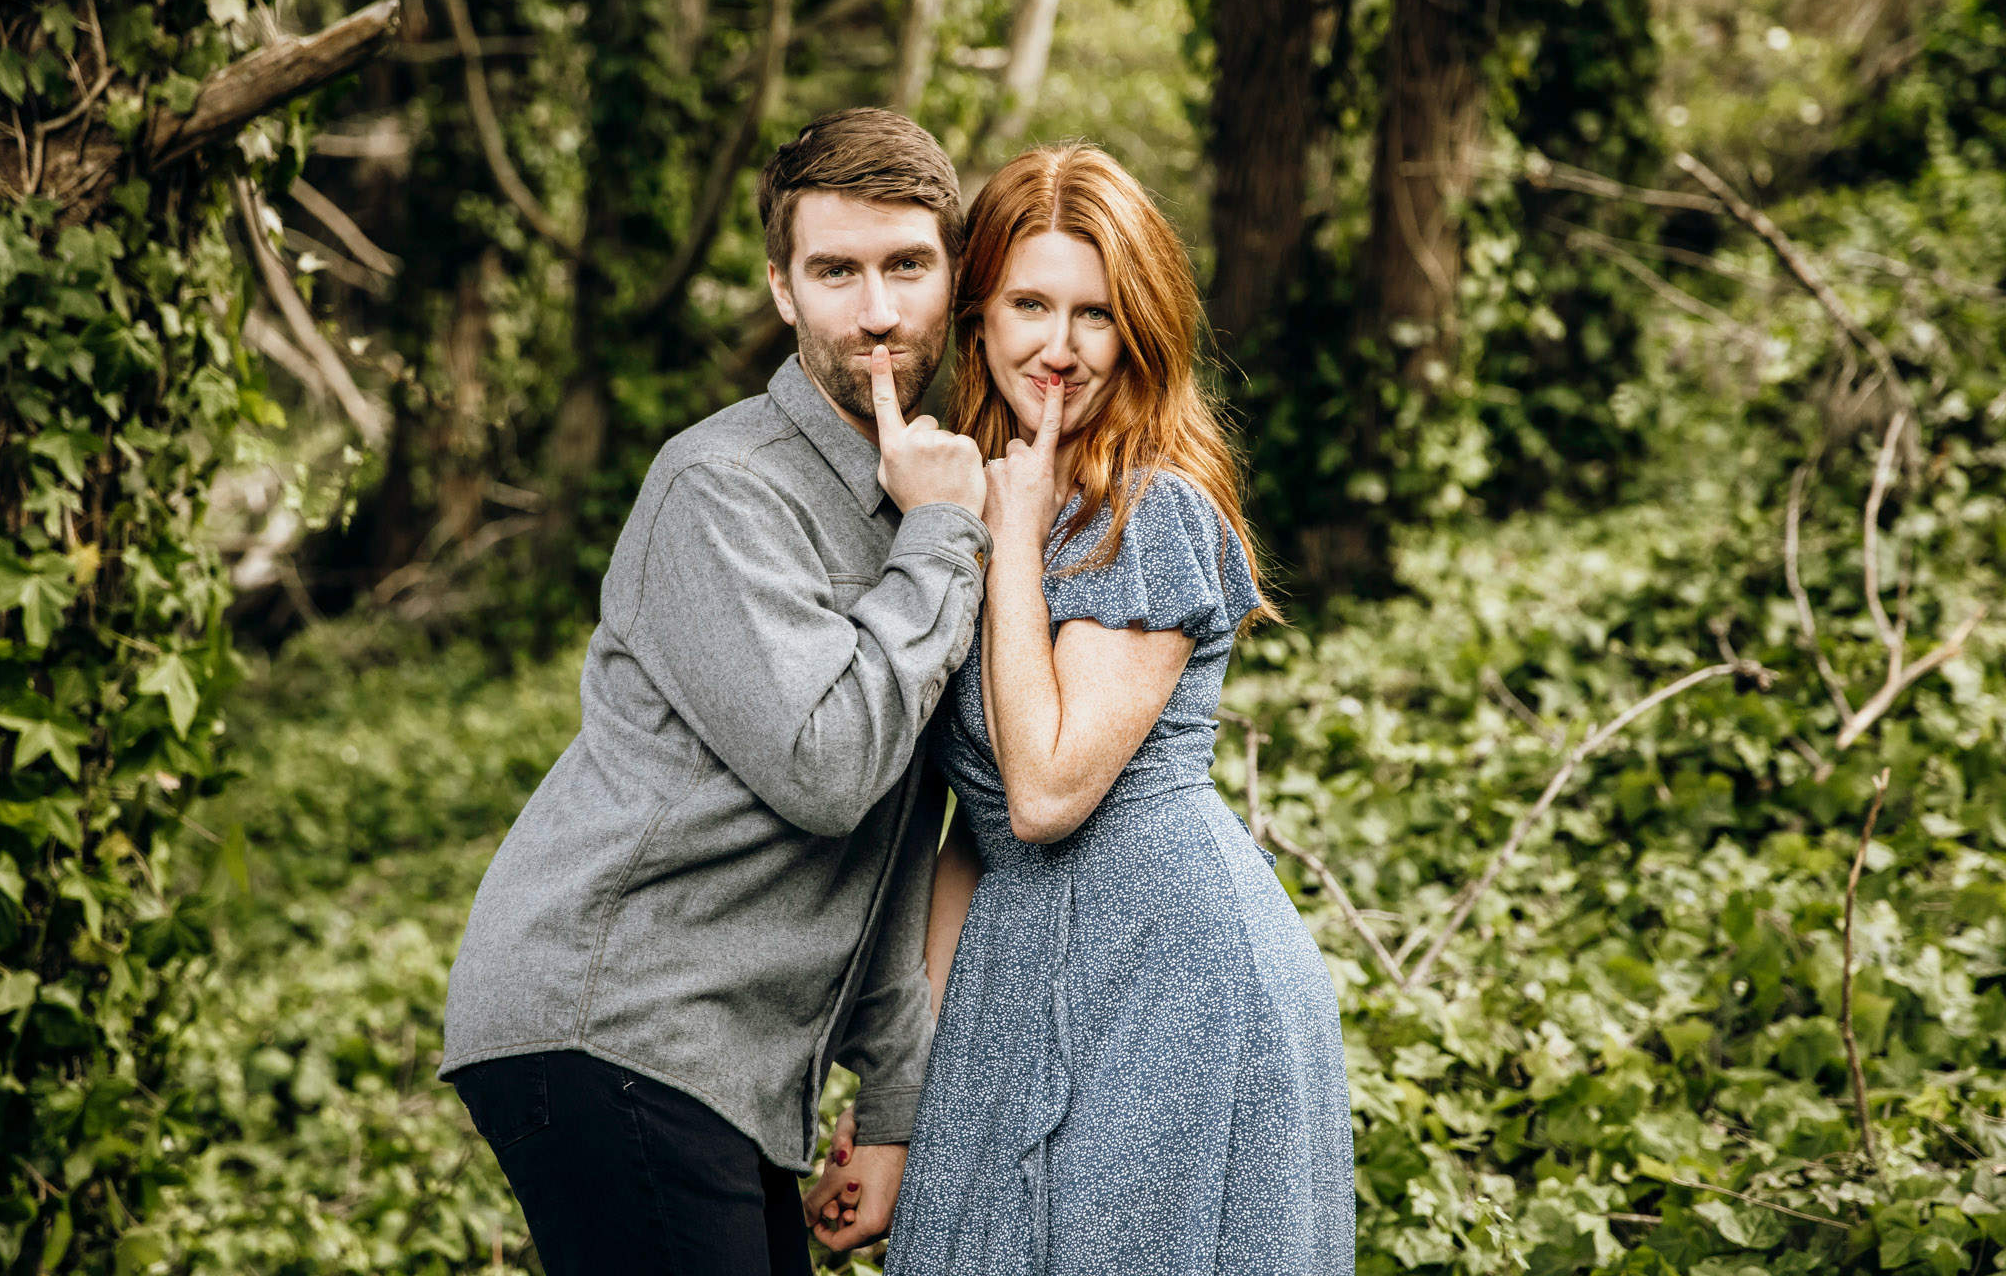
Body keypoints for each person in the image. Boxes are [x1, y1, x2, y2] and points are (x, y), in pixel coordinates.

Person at [437, 108, 992, 1275]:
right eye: (836, 271)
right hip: (614, 1020)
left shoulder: (921, 505)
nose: (878, 311)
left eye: (907, 266)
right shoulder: (725, 488)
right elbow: (832, 770)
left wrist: (896, 1107)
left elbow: (892, 842)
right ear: (784, 293)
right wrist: (944, 532)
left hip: (717, 1064)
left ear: (956, 280)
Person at [881, 144, 1357, 1274]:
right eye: (1029, 304)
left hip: (1175, 975)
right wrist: (908, 1098)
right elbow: (977, 832)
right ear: (978, 318)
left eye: (1094, 314)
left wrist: (1011, 543)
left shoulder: (1150, 512)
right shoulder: (977, 503)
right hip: (1017, 967)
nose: (1057, 347)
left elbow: (1044, 790)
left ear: (1139, 329)